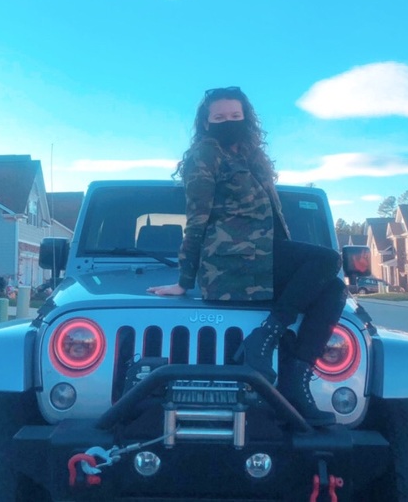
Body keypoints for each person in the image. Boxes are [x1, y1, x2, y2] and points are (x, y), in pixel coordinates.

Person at [147, 87, 347, 425]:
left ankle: (295, 383)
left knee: (335, 289)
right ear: (206, 123)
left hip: (262, 259)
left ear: (246, 118)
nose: (228, 122)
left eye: (235, 116)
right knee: (328, 260)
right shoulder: (205, 155)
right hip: (231, 264)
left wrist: (296, 272)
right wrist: (184, 280)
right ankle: (264, 339)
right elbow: (197, 219)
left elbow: (274, 221)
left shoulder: (252, 159)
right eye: (219, 117)